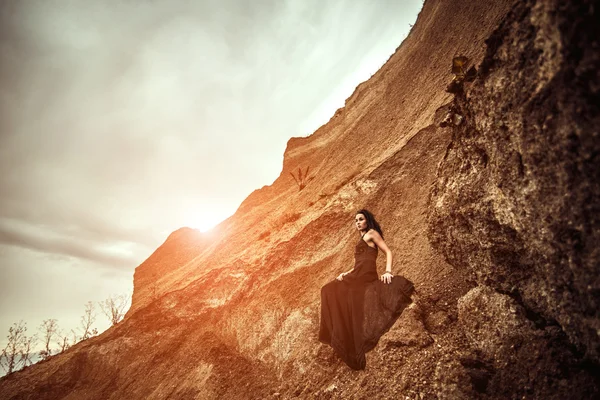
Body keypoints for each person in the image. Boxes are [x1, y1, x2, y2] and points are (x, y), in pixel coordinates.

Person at [319, 209, 414, 370]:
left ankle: (351, 344)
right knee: (327, 289)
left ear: (367, 220)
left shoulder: (371, 233)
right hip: (356, 275)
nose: (358, 223)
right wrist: (346, 273)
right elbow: (359, 263)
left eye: (360, 219)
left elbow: (388, 251)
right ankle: (336, 335)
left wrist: (388, 271)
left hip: (365, 277)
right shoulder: (362, 238)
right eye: (356, 220)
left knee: (337, 293)